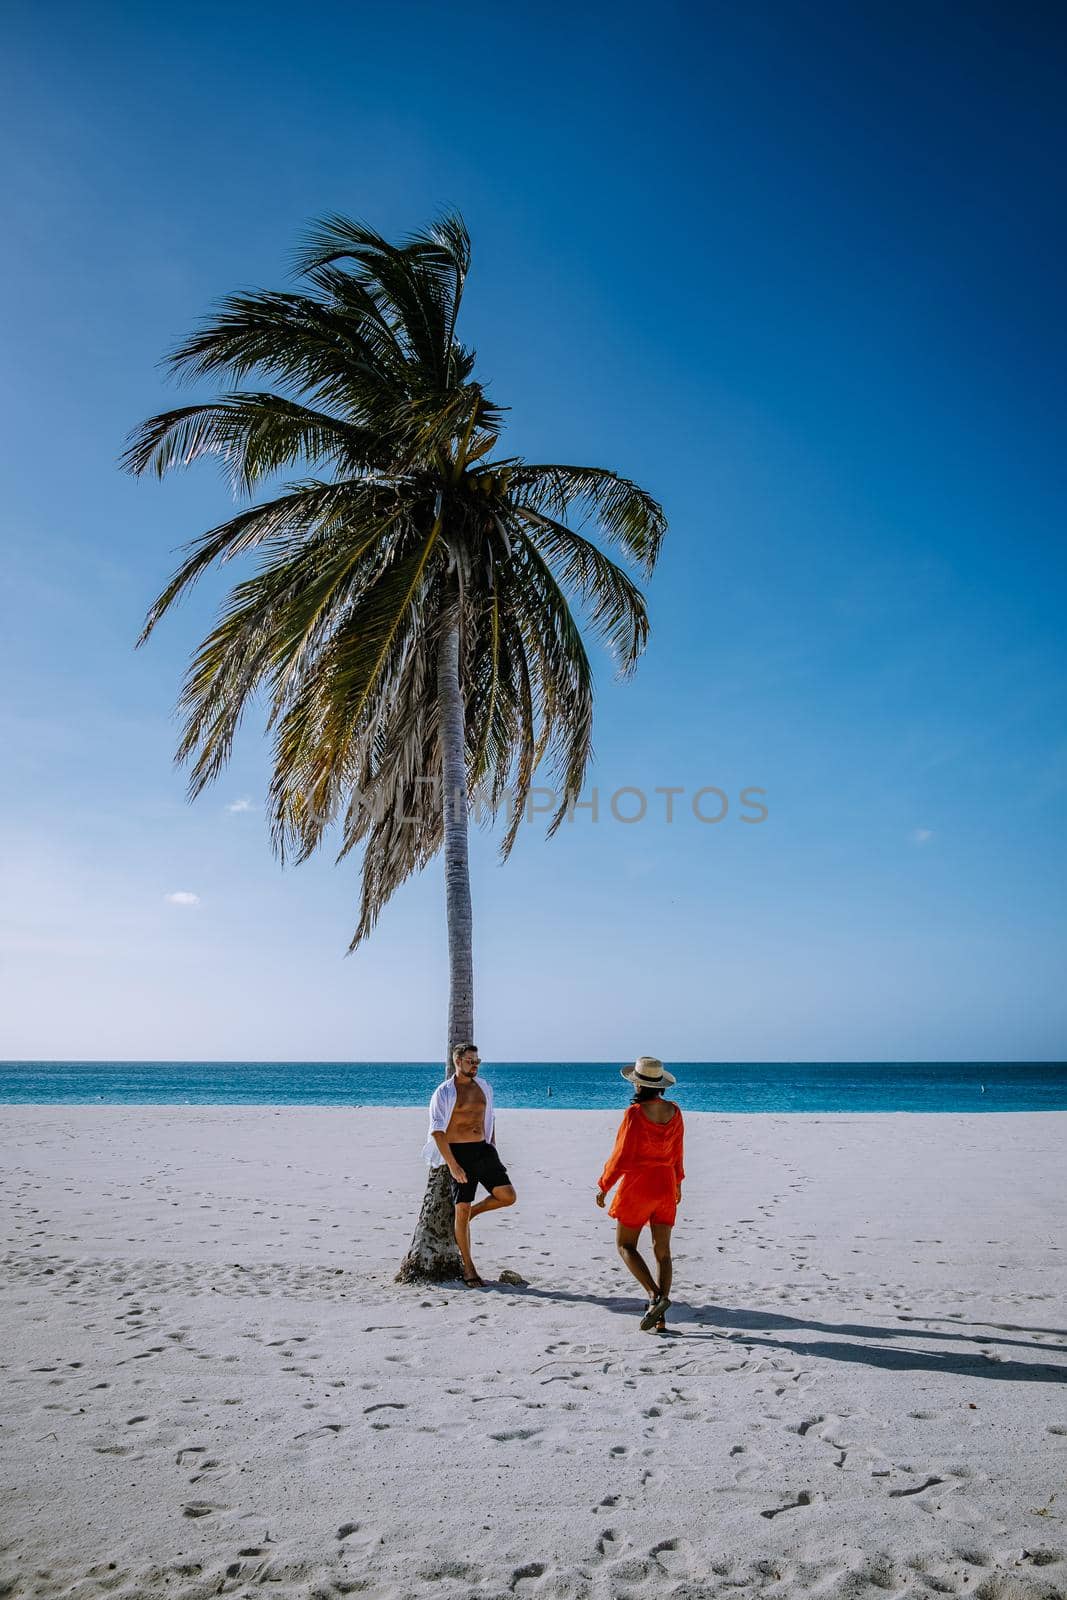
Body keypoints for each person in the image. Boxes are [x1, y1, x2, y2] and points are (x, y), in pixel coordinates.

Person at [595, 1056, 684, 1333]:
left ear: (637, 1084)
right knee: (663, 1252)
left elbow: (621, 1156)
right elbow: (678, 1154)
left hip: (639, 1185)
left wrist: (604, 1185)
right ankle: (660, 1318)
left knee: (625, 1246)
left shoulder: (634, 1114)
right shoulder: (675, 1111)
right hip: (666, 1184)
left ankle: (655, 1297)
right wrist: (678, 1183)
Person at [424, 1043, 516, 1286]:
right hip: (459, 1153)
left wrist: (492, 1146)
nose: (475, 1065)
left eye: (477, 1061)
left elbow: (490, 1118)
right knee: (461, 1208)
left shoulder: (484, 1087)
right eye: (470, 1061)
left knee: (508, 1196)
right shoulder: (444, 1092)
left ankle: (474, 1213)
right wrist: (453, 1165)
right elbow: (436, 1131)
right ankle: (469, 1268)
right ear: (458, 1061)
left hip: (483, 1150)